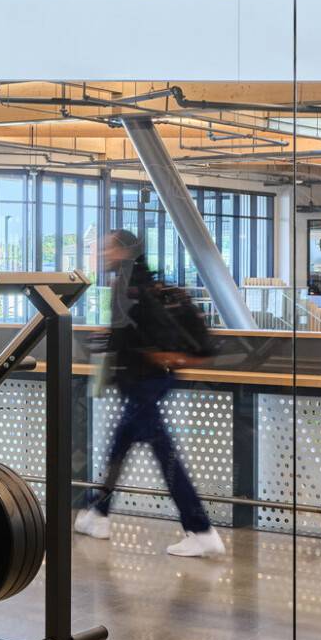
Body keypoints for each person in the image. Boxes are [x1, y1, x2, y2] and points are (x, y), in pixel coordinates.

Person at [78, 230, 224, 558]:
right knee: (120, 444)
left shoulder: (125, 285)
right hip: (152, 380)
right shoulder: (145, 282)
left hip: (142, 383)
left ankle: (200, 528)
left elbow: (127, 338)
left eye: (108, 248)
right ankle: (98, 512)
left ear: (125, 250)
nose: (103, 254)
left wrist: (108, 343)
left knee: (163, 452)